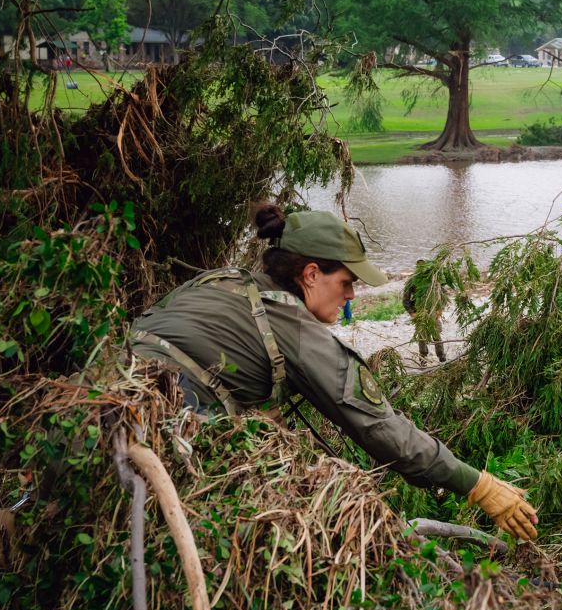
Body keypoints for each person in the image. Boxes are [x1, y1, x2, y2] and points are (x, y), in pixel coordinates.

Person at [130, 204, 538, 541]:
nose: (351, 294)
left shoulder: (219, 282)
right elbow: (381, 429)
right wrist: (478, 486)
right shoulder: (296, 328)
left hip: (104, 403)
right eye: (345, 281)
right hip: (157, 443)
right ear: (310, 275)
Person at [403, 259, 448, 364]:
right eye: (419, 267)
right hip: (420, 312)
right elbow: (405, 300)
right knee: (422, 336)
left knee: (436, 334)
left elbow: (443, 295)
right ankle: (423, 358)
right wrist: (412, 313)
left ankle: (441, 356)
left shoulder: (433, 279)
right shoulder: (412, 281)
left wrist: (440, 309)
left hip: (433, 310)